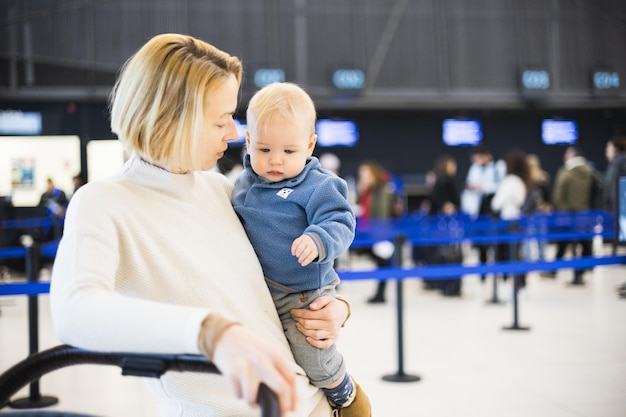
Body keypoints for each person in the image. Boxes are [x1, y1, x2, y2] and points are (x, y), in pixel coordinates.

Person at [50, 33, 351, 417]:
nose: (234, 134)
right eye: (221, 120)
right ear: (172, 119)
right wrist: (211, 332)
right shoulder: (103, 203)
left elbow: (276, 276)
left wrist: (335, 307)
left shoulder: (221, 189)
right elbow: (75, 312)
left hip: (313, 404)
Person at [231, 82, 370, 416]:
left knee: (312, 356)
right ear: (248, 142)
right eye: (264, 150)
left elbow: (341, 221)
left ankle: (342, 389)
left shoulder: (319, 185)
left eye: (289, 152)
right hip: (262, 294)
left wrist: (318, 238)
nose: (275, 160)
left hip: (303, 293)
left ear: (309, 146)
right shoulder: (241, 185)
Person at [550, 145, 594, 285]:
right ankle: (581, 272)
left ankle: (554, 269)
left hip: (567, 215)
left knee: (563, 243)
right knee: (584, 243)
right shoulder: (589, 172)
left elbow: (558, 195)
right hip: (585, 214)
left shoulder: (566, 172)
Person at [357, 160, 398, 304]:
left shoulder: (382, 189)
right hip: (370, 232)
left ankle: (380, 294)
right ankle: (380, 293)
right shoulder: (369, 190)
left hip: (381, 233)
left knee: (383, 263)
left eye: (365, 174)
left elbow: (382, 212)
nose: (362, 177)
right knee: (381, 263)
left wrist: (380, 234)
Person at [462, 146, 505, 282]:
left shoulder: (497, 167)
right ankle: (483, 273)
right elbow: (469, 186)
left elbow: (500, 187)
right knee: (481, 245)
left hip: (493, 211)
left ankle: (500, 272)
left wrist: (485, 188)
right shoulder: (474, 169)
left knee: (497, 243)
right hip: (478, 212)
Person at [491, 148, 530, 291]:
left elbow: (496, 203)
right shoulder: (521, 181)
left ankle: (511, 285)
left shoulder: (510, 181)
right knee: (517, 253)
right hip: (518, 221)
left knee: (507, 255)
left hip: (507, 222)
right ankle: (520, 285)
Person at [424, 154, 462, 296]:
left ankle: (441, 283)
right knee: (448, 253)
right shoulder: (446, 180)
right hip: (446, 225)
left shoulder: (438, 180)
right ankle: (450, 285)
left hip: (438, 225)